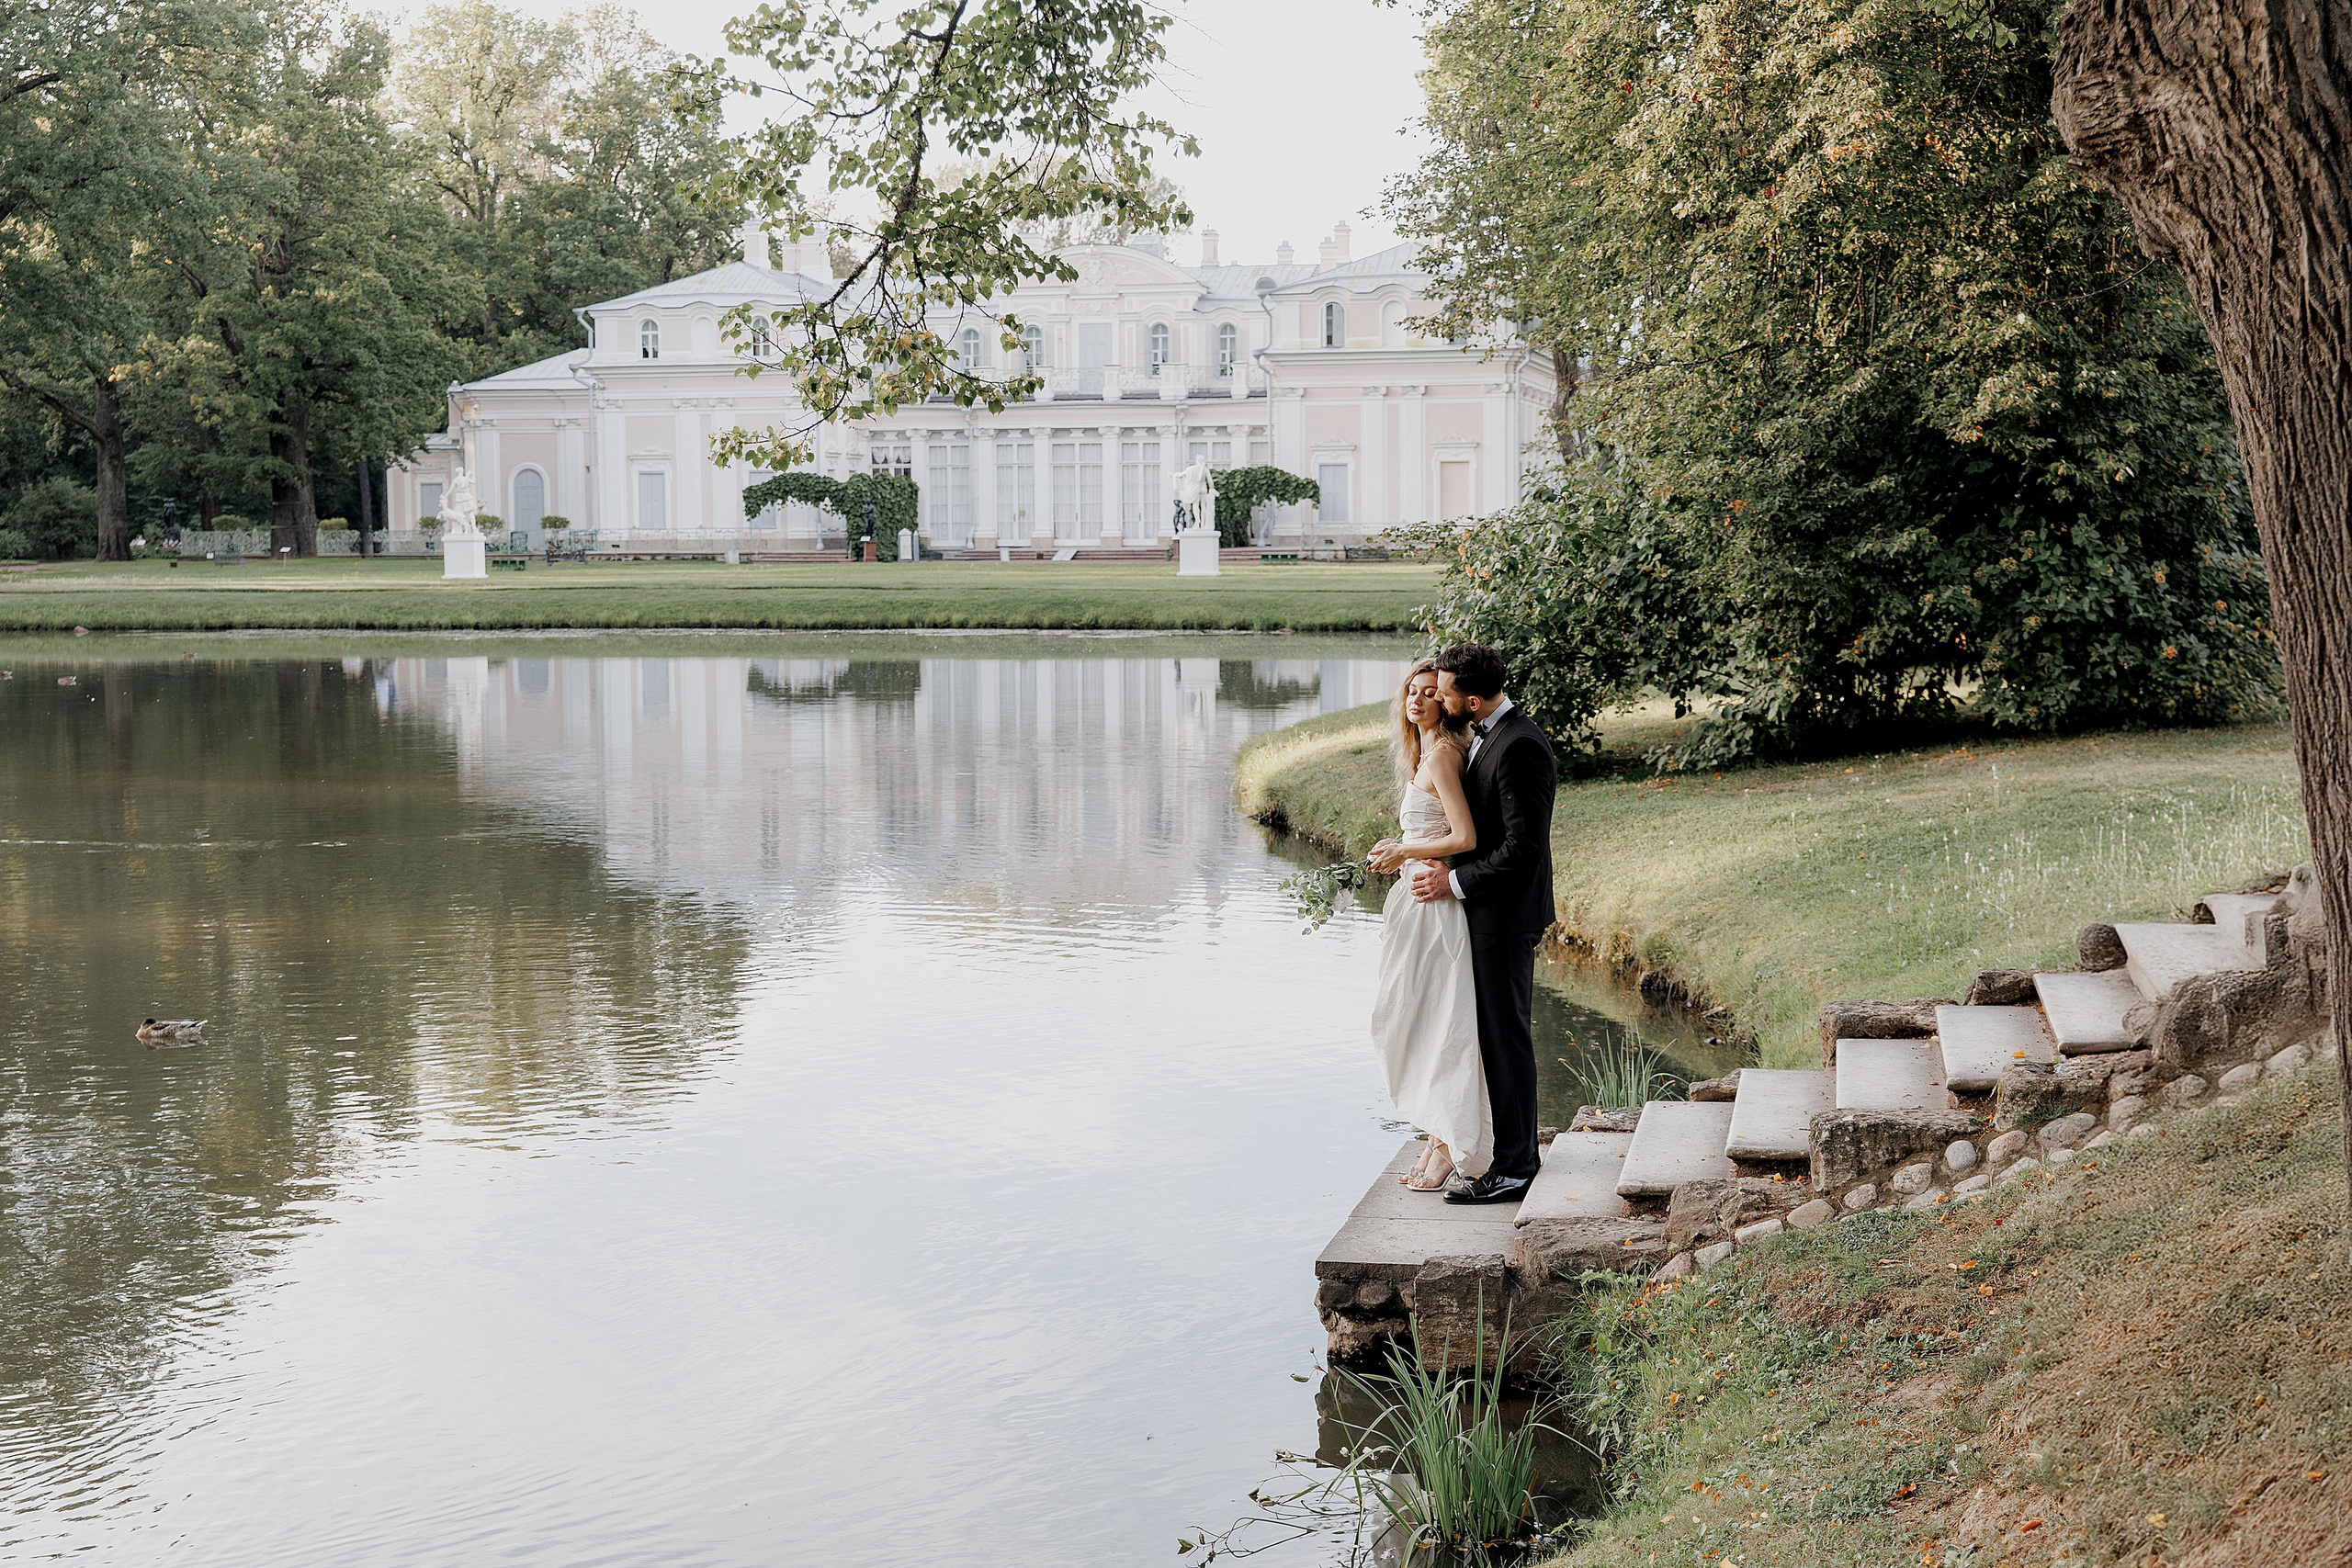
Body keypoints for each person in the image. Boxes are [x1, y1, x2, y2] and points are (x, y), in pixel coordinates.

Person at [1410, 643, 1557, 1205]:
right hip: (1486, 912)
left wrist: (1452, 881)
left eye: (1444, 691)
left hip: (1506, 915)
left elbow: (1523, 848)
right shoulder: (1489, 735)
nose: (1438, 697)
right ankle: (1506, 1151)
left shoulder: (1520, 745)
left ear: (1472, 699)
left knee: (1506, 1038)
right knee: (1493, 1036)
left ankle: (1516, 1167)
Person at [1365, 660, 1489, 1191]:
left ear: (1446, 704)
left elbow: (1465, 838)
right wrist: (1397, 852)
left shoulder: (1442, 757)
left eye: (1429, 694)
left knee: (1439, 1022)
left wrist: (1406, 851)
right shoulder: (1424, 754)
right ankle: (1437, 1136)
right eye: (1410, 692)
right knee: (1409, 1020)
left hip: (1436, 909)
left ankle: (1447, 1146)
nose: (1416, 701)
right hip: (1415, 902)